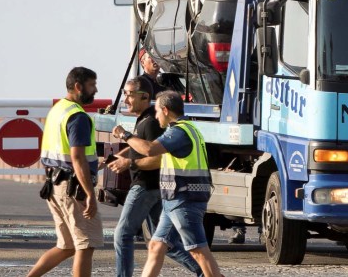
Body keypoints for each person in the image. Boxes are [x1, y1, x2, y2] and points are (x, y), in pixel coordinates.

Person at [112, 91, 222, 277]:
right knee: (156, 246)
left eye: (157, 112)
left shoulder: (179, 132)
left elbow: (149, 149)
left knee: (198, 251)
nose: (155, 116)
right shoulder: (188, 129)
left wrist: (125, 134)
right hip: (174, 200)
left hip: (184, 199)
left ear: (165, 110)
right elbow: (158, 157)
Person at [28, 67, 103, 277]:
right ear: (78, 86)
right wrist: (90, 194)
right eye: (92, 85)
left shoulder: (58, 109)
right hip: (74, 188)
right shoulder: (78, 116)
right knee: (85, 245)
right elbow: (77, 158)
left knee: (67, 245)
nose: (95, 90)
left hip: (54, 186)